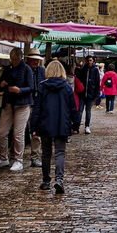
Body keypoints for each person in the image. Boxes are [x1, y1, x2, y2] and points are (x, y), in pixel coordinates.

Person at [32, 60, 80, 194]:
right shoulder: (67, 87)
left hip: (45, 123)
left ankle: (46, 180)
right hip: (62, 123)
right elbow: (73, 108)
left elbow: (37, 109)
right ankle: (59, 179)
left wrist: (33, 127)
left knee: (46, 153)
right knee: (60, 152)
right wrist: (75, 125)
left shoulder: (42, 87)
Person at [0, 48, 34, 172]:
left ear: (20, 58)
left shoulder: (26, 69)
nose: (14, 61)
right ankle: (3, 157)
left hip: (22, 105)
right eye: (12, 59)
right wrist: (1, 86)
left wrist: (19, 90)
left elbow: (31, 88)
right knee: (1, 131)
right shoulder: (8, 69)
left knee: (18, 133)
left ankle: (18, 160)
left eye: (16, 59)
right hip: (8, 104)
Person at [24, 51, 46, 168]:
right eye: (33, 59)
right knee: (19, 131)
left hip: (37, 105)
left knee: (36, 133)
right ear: (28, 59)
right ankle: (13, 156)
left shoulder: (42, 71)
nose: (36, 61)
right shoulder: (23, 69)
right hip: (24, 104)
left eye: (37, 59)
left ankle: (35, 157)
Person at [77, 56, 102, 134]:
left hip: (91, 93)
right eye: (88, 60)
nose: (89, 62)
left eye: (90, 60)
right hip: (81, 94)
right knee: (80, 110)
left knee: (88, 111)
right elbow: (78, 81)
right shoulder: (81, 70)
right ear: (85, 61)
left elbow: (97, 82)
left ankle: (87, 126)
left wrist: (97, 93)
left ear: (92, 61)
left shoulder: (95, 70)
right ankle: (77, 126)